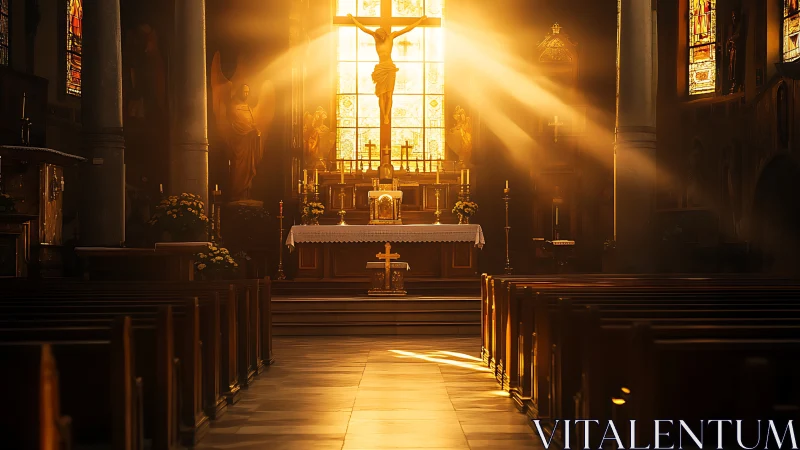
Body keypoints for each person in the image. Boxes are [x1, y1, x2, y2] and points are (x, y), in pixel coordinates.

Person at [348, 14, 427, 124]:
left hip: (389, 68)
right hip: (380, 68)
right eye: (379, 35)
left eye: (382, 35)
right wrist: (353, 19)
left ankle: (386, 115)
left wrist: (420, 20)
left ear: (385, 33)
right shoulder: (375, 37)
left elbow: (407, 29)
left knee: (389, 94)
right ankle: (384, 115)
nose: (381, 37)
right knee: (381, 95)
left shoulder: (391, 36)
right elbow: (363, 28)